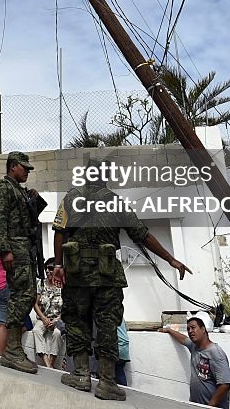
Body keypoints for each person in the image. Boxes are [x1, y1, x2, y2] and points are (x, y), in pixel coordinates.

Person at [54, 163, 192, 400]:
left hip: (77, 274)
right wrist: (171, 259)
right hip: (107, 276)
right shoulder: (116, 202)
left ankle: (81, 375)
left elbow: (58, 231)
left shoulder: (70, 198)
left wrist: (58, 265)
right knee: (108, 325)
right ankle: (107, 382)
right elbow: (143, 235)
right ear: (107, 178)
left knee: (77, 322)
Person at [0, 151, 47, 374]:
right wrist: (5, 251)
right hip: (15, 248)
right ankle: (12, 350)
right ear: (13, 166)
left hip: (25, 248)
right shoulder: (3, 188)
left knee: (28, 294)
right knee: (22, 295)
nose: (27, 172)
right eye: (24, 168)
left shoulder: (19, 191)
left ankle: (14, 348)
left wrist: (33, 199)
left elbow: (26, 219)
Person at [161, 313, 230, 408]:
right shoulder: (194, 347)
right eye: (188, 329)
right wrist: (169, 330)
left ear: (203, 329)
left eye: (193, 327)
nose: (190, 331)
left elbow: (225, 384)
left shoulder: (215, 353)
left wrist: (211, 405)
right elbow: (183, 339)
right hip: (196, 405)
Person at [32, 258, 65, 369]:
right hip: (43, 318)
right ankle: (47, 364)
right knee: (36, 330)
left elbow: (67, 306)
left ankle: (51, 362)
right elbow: (35, 304)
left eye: (50, 268)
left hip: (58, 319)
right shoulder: (41, 284)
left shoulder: (62, 286)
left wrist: (57, 320)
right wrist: (43, 318)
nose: (47, 271)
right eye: (46, 268)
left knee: (57, 333)